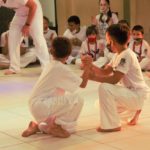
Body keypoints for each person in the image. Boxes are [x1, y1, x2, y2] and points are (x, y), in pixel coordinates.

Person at [82, 24, 150, 132]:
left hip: (136, 95)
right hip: (131, 94)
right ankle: (132, 112)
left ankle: (112, 125)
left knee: (105, 88)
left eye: (108, 40)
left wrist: (93, 77)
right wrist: (91, 65)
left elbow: (114, 80)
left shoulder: (126, 55)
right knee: (100, 104)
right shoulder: (117, 55)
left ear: (112, 41)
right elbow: (105, 72)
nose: (108, 43)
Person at [22, 37, 90, 138]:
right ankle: (56, 126)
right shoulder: (60, 68)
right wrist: (88, 66)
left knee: (66, 98)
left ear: (51, 51)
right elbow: (83, 84)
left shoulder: (51, 64)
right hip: (41, 106)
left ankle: (40, 127)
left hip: (37, 105)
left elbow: (77, 81)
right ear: (68, 55)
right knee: (77, 99)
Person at [0, 0, 50, 75]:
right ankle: (14, 68)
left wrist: (27, 25)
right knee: (13, 37)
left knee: (38, 38)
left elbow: (33, 6)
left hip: (34, 11)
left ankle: (46, 67)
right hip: (20, 14)